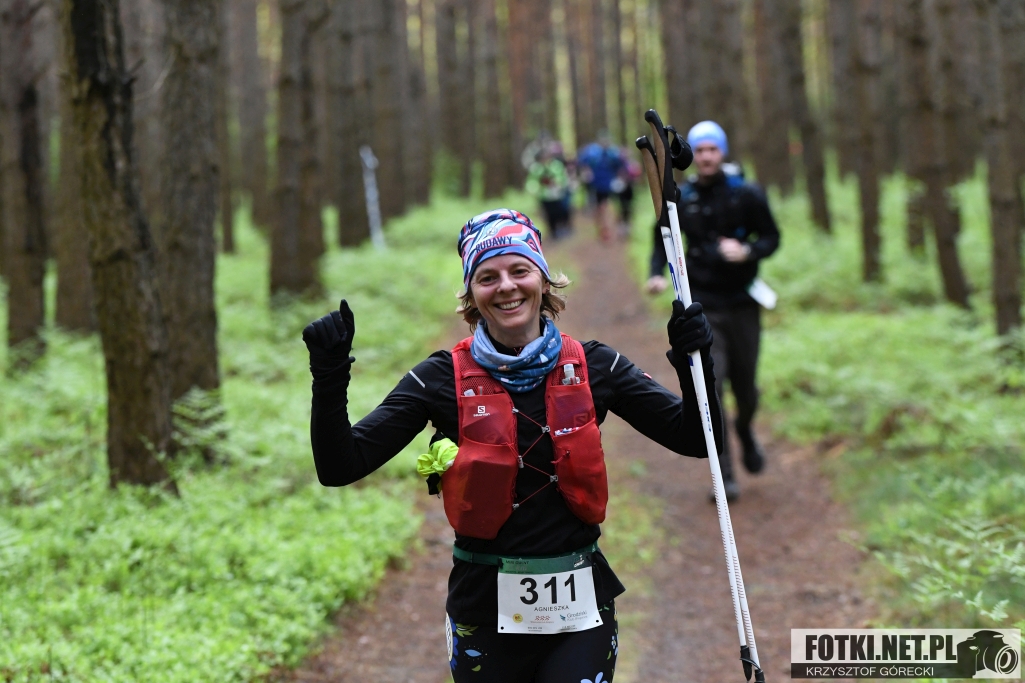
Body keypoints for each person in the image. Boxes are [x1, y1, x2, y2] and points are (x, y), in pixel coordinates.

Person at [303, 208, 723, 683]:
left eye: (519, 270)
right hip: (482, 609)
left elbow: (697, 439)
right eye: (488, 277)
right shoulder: (439, 378)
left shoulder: (594, 365)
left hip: (580, 609)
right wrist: (329, 375)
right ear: (471, 294)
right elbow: (342, 466)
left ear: (543, 279)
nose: (506, 287)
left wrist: (695, 360)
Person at [646, 121, 779, 501]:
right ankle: (725, 477)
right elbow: (661, 238)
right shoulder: (681, 199)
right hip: (702, 307)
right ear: (693, 155)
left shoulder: (747, 194)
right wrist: (655, 273)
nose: (705, 156)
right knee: (712, 390)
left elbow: (772, 237)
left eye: (712, 149)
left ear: (722, 152)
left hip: (743, 305)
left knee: (746, 389)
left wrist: (747, 251)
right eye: (700, 150)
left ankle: (746, 430)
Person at [576, 131, 625, 242]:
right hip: (596, 186)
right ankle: (602, 230)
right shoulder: (592, 153)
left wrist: (620, 179)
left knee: (608, 208)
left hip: (610, 186)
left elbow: (620, 166)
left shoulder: (613, 153)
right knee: (599, 209)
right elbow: (582, 163)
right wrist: (586, 172)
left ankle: (609, 230)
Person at [525, 142, 572, 239]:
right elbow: (532, 182)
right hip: (545, 196)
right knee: (549, 214)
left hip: (557, 194)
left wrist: (557, 183)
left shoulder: (557, 165)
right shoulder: (537, 168)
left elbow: (562, 178)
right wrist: (536, 188)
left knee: (561, 212)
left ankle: (562, 228)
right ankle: (553, 232)